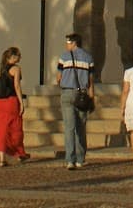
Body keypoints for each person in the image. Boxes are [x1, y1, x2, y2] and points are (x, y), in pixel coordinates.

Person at [0, 46, 30, 166]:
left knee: (1, 129)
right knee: (15, 129)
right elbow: (17, 86)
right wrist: (21, 102)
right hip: (11, 102)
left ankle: (2, 159)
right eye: (18, 55)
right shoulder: (16, 69)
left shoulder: (2, 68)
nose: (20, 57)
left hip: (0, 102)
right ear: (13, 57)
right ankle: (20, 153)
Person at [56, 31, 95, 170]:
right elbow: (91, 80)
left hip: (67, 92)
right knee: (81, 127)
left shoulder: (64, 57)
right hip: (82, 94)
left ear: (74, 43)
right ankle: (80, 158)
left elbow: (58, 77)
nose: (66, 45)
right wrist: (92, 96)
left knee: (69, 127)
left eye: (68, 42)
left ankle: (70, 160)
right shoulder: (88, 58)